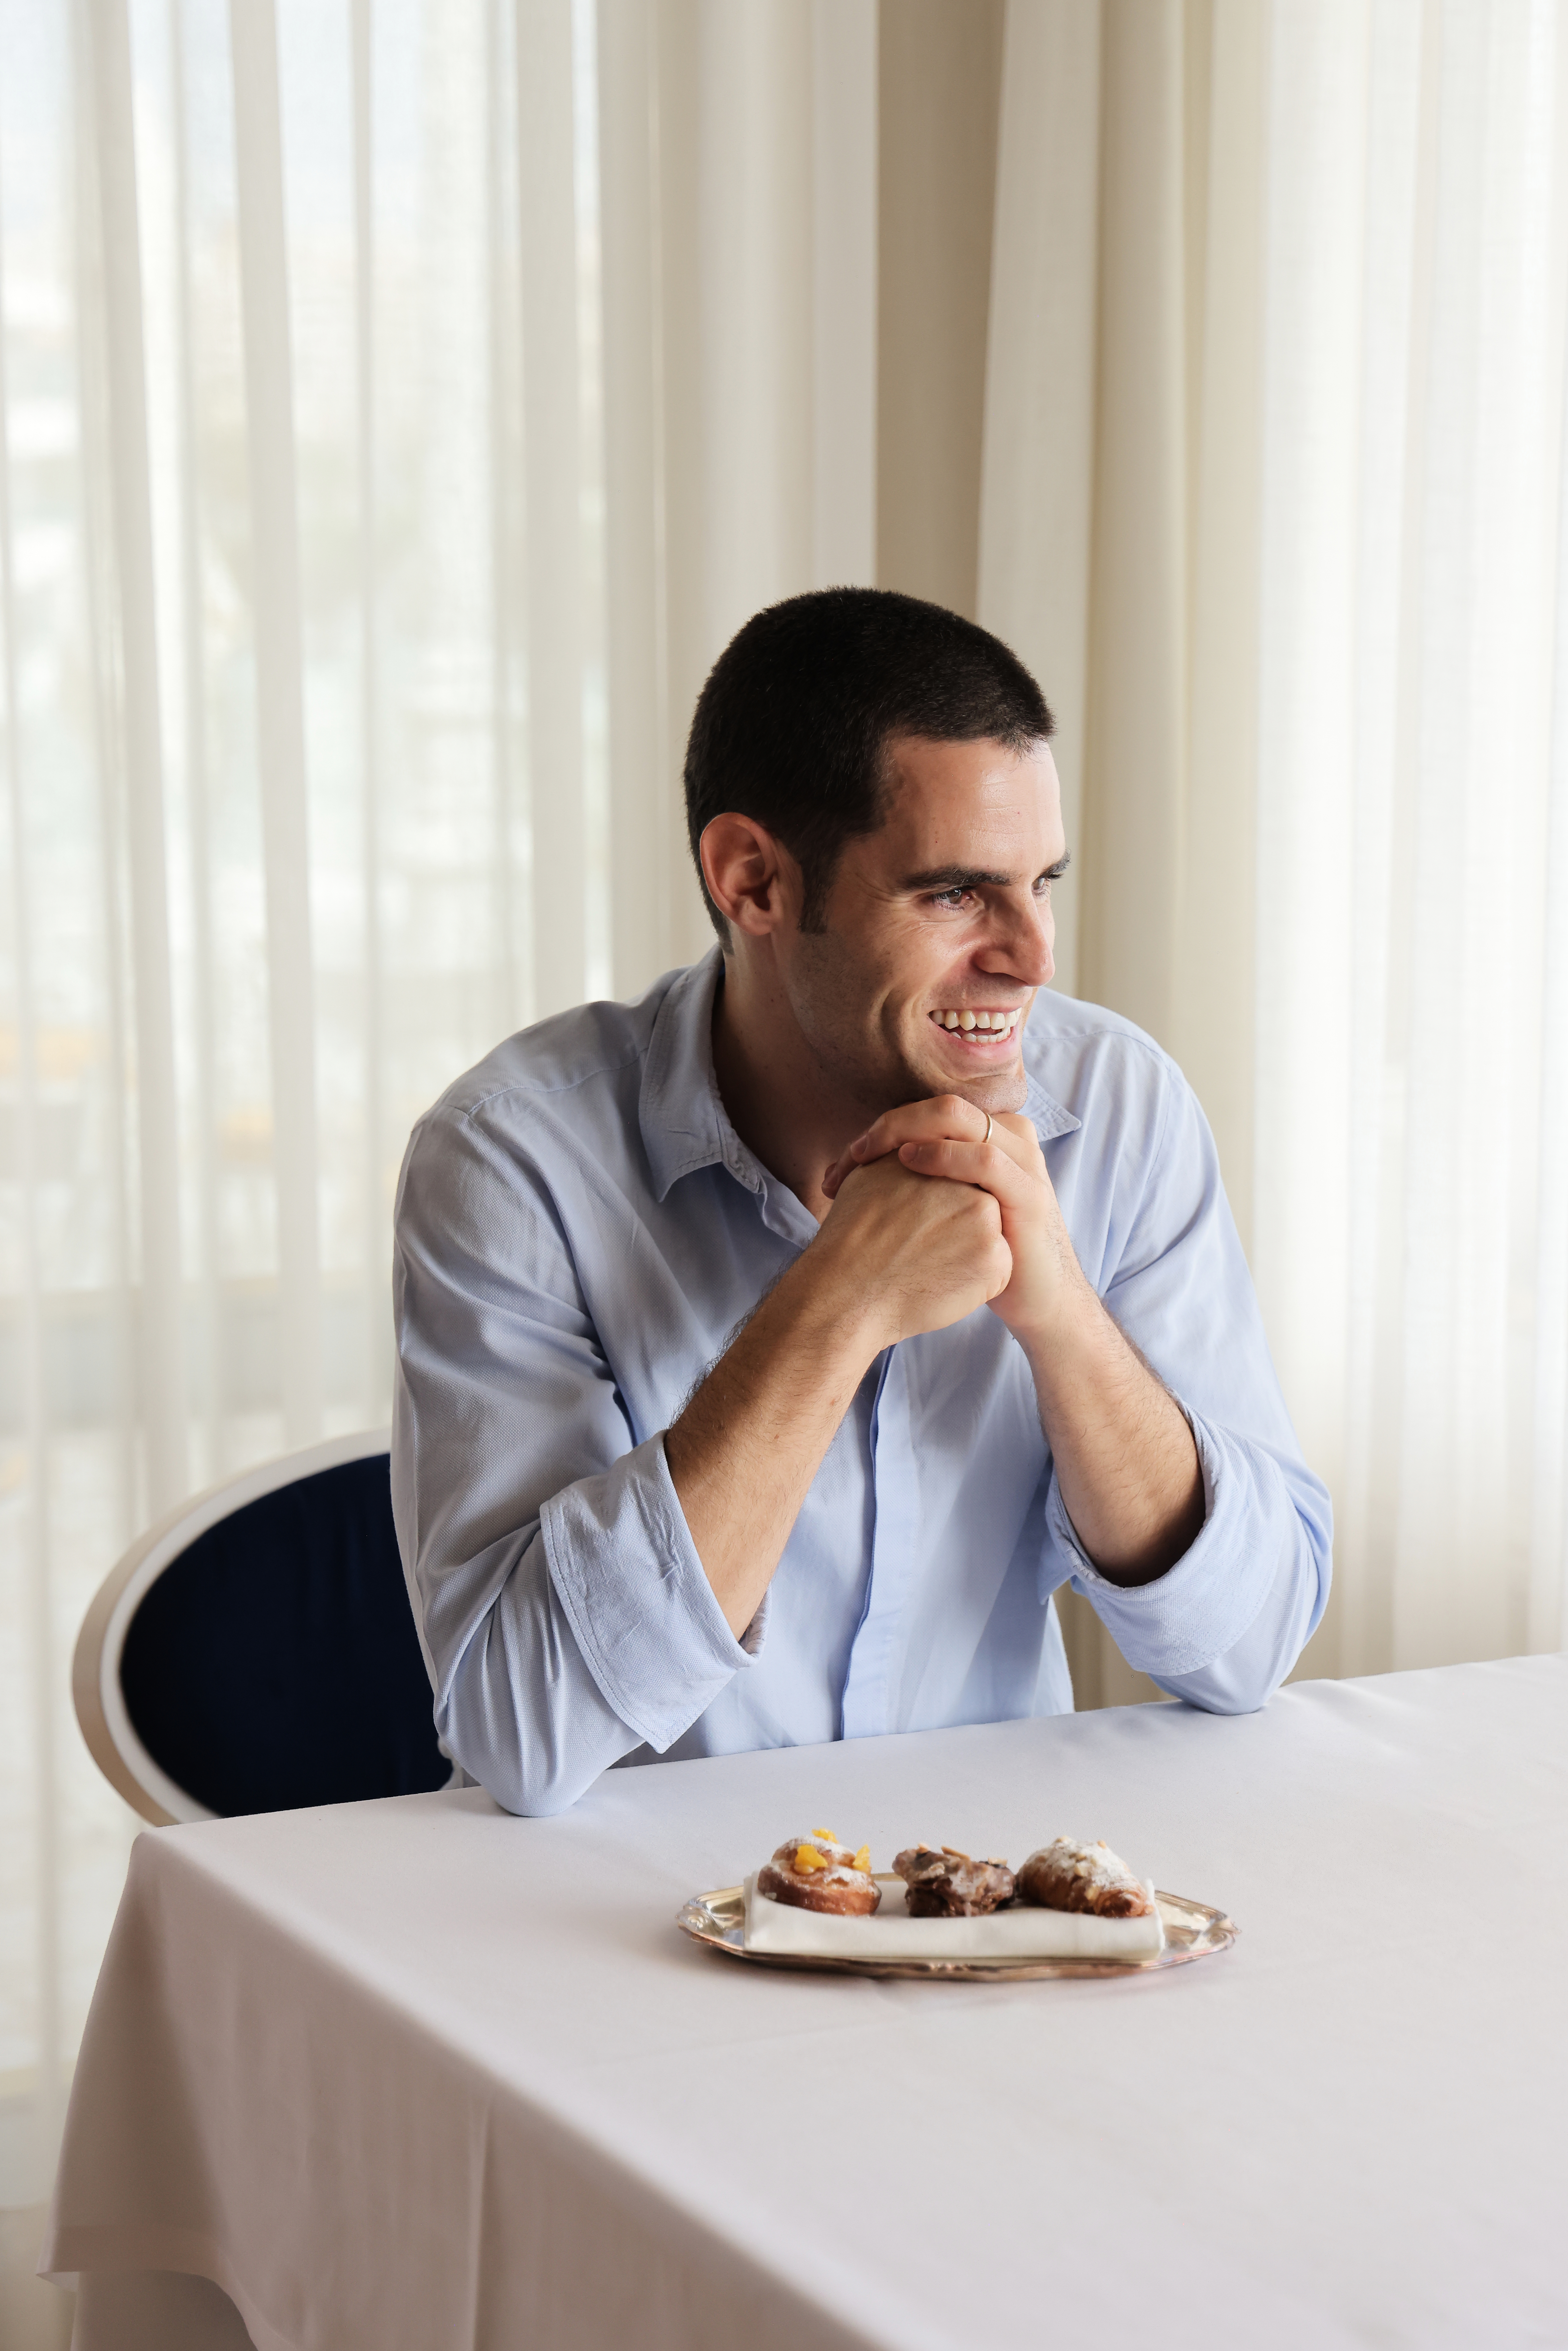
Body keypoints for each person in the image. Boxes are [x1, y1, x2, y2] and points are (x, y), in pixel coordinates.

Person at [391, 587, 1330, 1815]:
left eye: (1041, 881)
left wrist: (1062, 1319)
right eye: (955, 893)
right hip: (620, 1937)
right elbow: (522, 1724)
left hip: (992, 1917)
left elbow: (1249, 1644)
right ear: (754, 880)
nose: (1033, 954)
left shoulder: (1120, 1110)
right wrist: (837, 1304)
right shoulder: (512, 1158)